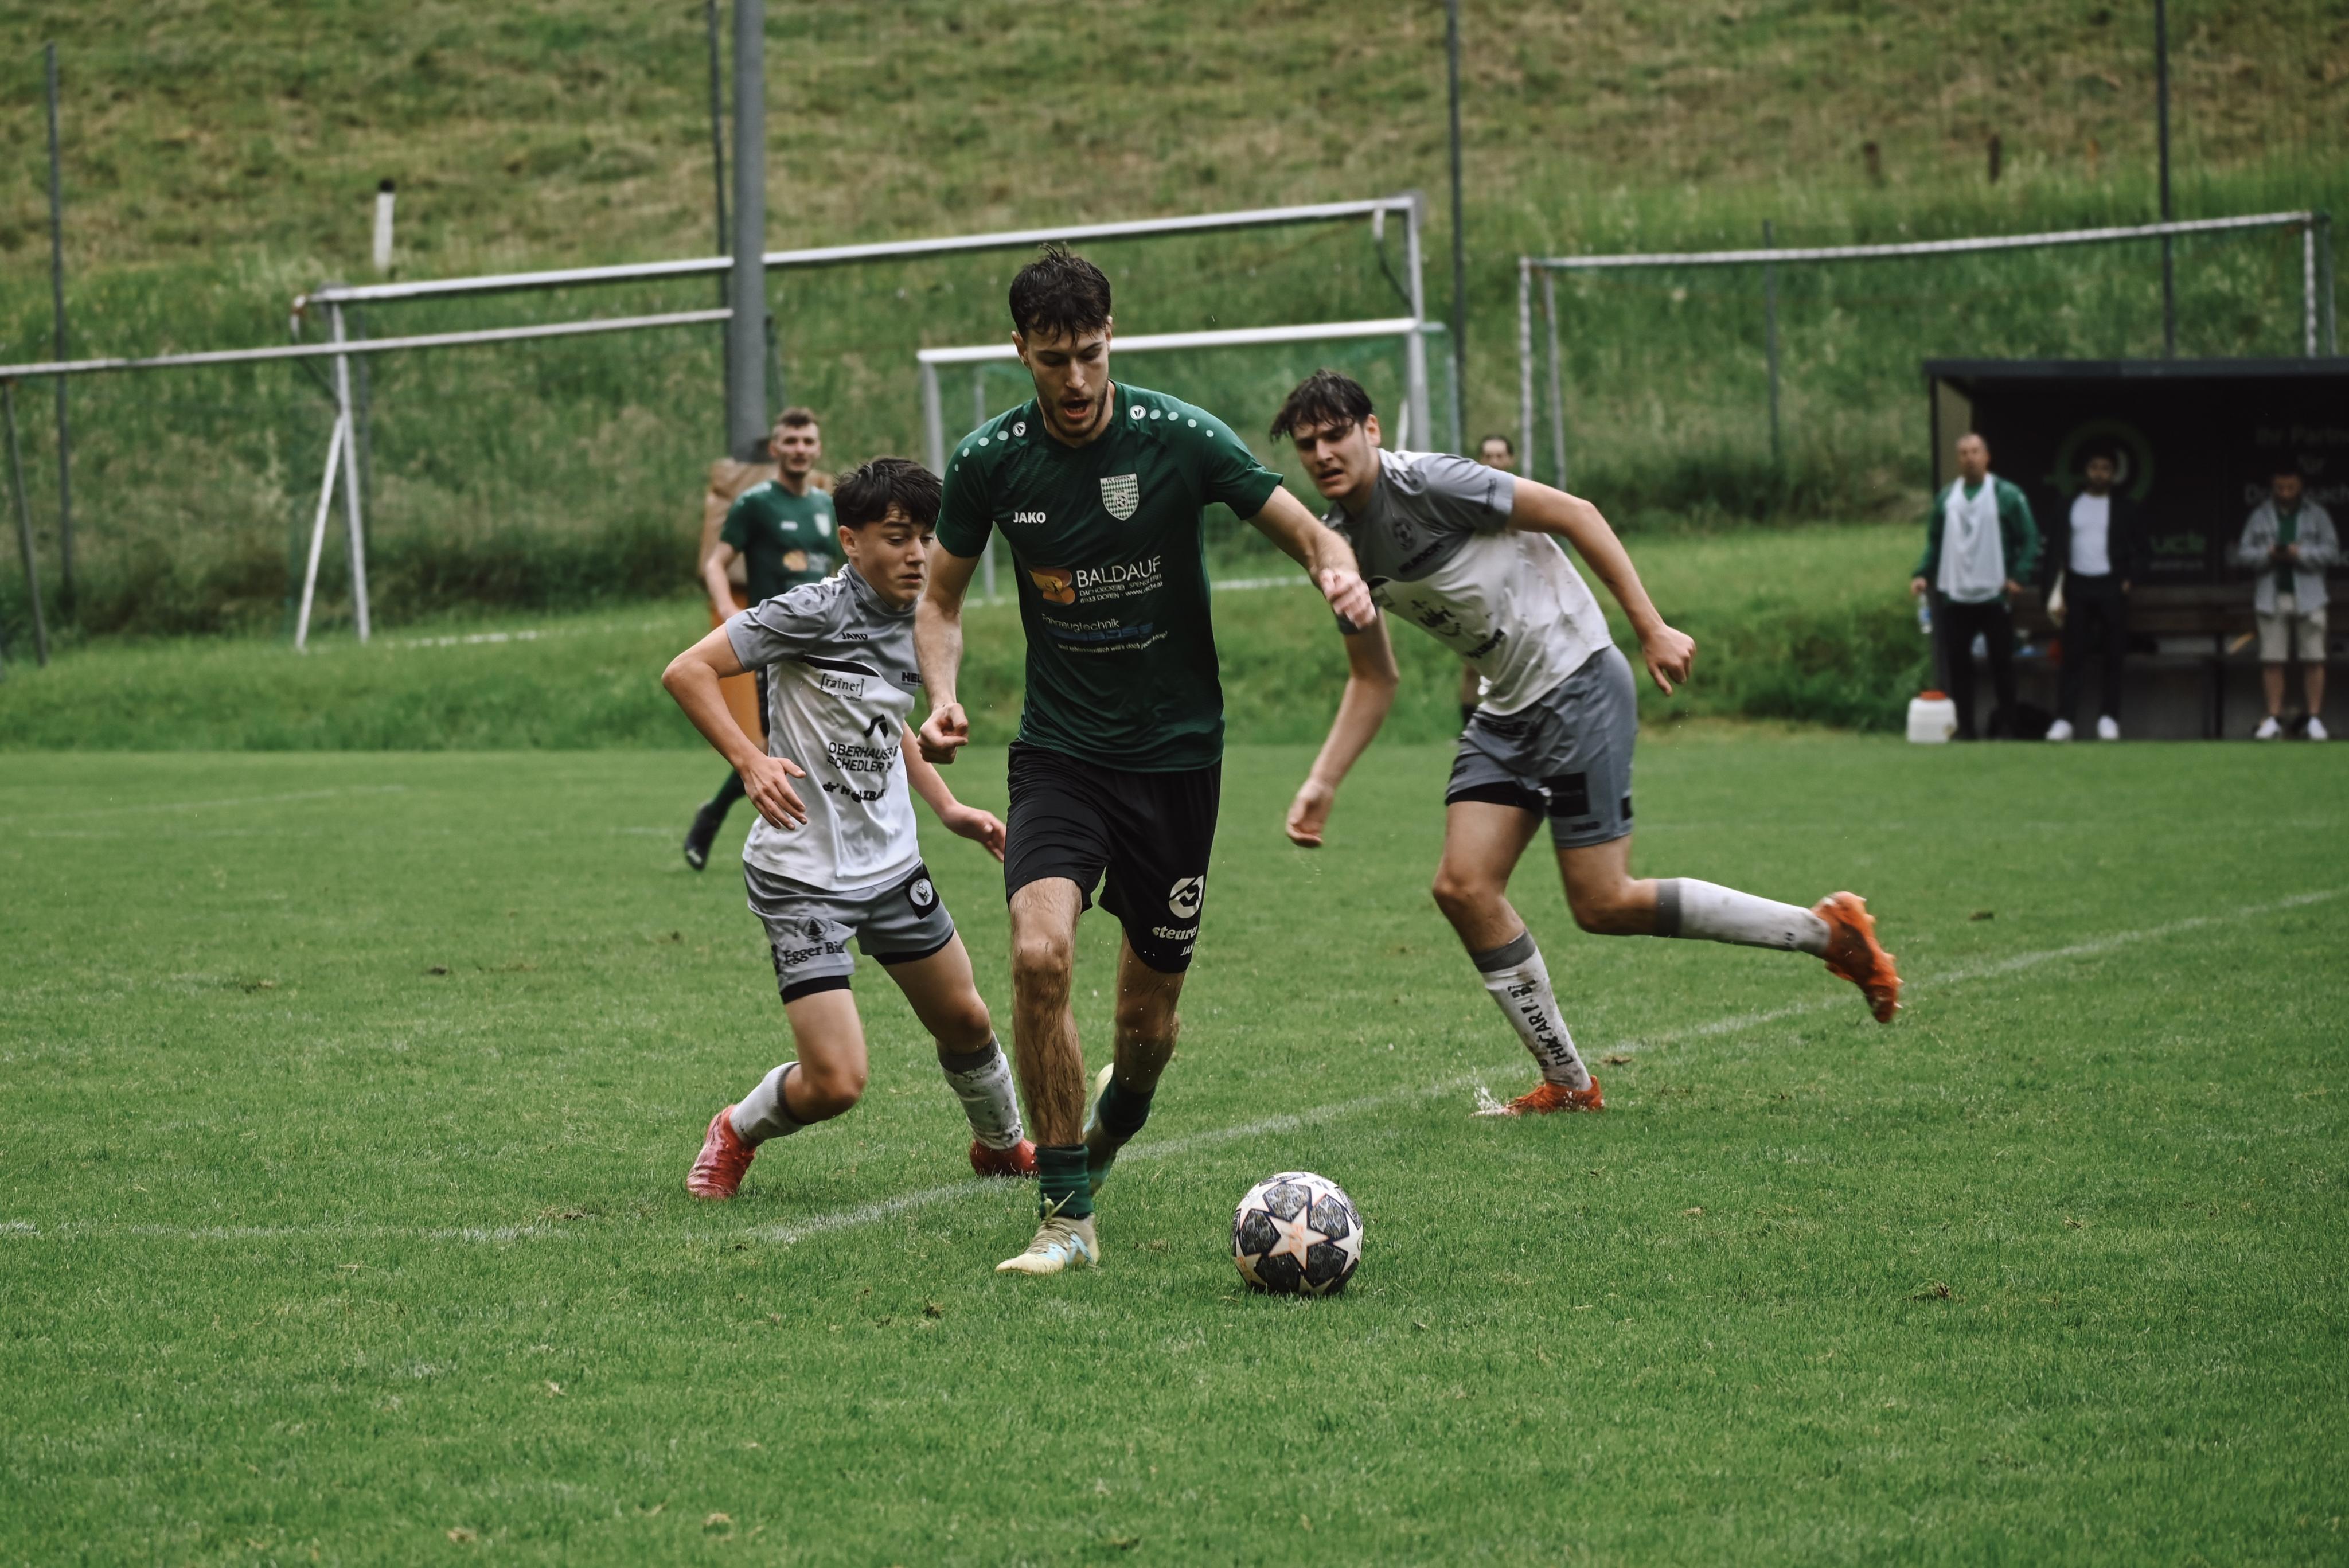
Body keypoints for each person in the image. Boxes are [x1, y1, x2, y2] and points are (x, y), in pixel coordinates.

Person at [913, 247, 1377, 1276]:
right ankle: (1066, 1217)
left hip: (1175, 762)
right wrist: (942, 694)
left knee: (1148, 1025)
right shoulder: (992, 461)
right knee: (1040, 955)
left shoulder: (1177, 436)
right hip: (1061, 754)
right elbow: (938, 602)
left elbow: (1312, 534)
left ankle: (1113, 1123)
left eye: (1089, 353)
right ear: (1020, 352)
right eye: (1053, 360)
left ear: (1111, 336)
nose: (1076, 379)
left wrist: (1337, 576)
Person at [1275, 370, 1901, 1117]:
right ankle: (1570, 1084)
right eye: (1307, 444)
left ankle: (1826, 932)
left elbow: (1577, 513)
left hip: (1577, 681)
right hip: (1506, 708)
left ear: (1371, 430)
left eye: (1336, 434)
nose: (1323, 453)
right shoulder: (1335, 548)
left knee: (1603, 901)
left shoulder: (1432, 483)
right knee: (1463, 888)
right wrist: (1323, 780)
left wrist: (1650, 627)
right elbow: (1374, 677)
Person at [661, 458, 1037, 1199]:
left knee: (966, 1018)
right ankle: (735, 1128)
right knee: (837, 1082)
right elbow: (687, 672)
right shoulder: (811, 611)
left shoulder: (923, 617)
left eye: (926, 536)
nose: (917, 554)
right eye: (897, 537)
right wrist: (749, 760)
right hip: (802, 874)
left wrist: (947, 807)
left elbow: (883, 721)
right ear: (850, 541)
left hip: (891, 866)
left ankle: (1000, 1147)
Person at [684, 408, 838, 870]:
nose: (799, 449)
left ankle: (821, 836)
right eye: (790, 441)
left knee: (817, 744)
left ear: (818, 448)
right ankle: (719, 819)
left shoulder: (826, 506)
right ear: (775, 449)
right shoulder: (755, 503)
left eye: (807, 441)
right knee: (780, 748)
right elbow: (716, 563)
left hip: (823, 645)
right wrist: (729, 611)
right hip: (774, 644)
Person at [1909, 433, 2039, 740]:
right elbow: (1934, 542)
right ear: (1958, 460)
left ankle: (2009, 726)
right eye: (1964, 453)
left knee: (2002, 665)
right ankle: (1964, 728)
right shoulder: (1946, 498)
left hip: (1994, 594)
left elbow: (2029, 537)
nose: (1970, 458)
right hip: (1956, 596)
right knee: (1958, 667)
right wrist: (1922, 573)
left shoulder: (2007, 495)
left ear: (1987, 457)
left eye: (1976, 452)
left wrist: (2019, 575)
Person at [2046, 447, 2143, 742]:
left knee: (2114, 654)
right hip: (2077, 585)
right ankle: (2065, 719)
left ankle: (2109, 718)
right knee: (2073, 655)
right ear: (2086, 471)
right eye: (2094, 467)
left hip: (2111, 585)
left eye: (2106, 468)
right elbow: (2055, 550)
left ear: (2114, 474)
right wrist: (2055, 592)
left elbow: (2142, 549)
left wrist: (2129, 580)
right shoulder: (2069, 504)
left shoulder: (2125, 507)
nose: (2099, 474)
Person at [2235, 466, 2337, 740]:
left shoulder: (2317, 514)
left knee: (2314, 658)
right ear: (2273, 486)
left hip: (2311, 597)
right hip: (2271, 597)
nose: (2285, 493)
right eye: (2280, 488)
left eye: (2290, 488)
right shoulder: (2260, 515)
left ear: (2300, 485)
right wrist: (2269, 554)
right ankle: (2274, 718)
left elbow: (2331, 551)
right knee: (2272, 659)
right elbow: (2243, 553)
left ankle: (2314, 719)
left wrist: (2299, 554)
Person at [1460, 433, 1519, 726]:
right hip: (1480, 589)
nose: (1494, 461)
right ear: (1480, 460)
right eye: (1488, 456)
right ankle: (1469, 729)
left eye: (1500, 456)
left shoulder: (1524, 496)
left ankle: (1516, 724)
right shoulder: (1466, 498)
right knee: (1473, 663)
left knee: (1519, 659)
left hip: (1517, 589)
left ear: (1510, 460)